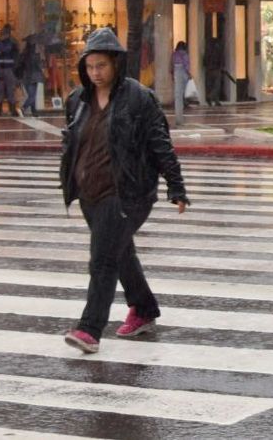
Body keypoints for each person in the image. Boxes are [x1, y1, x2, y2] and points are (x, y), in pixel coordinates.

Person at [60, 27, 189, 354]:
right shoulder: (78, 99)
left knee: (102, 259)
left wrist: (176, 185)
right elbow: (72, 141)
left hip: (127, 193)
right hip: (91, 192)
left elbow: (160, 144)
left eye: (101, 66)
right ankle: (144, 309)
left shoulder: (138, 97)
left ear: (116, 64)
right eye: (90, 67)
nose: (95, 73)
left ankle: (90, 329)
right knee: (120, 253)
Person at [0, 24, 19, 116]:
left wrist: (15, 69)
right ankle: (1, 109)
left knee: (9, 89)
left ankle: (11, 109)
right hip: (3, 69)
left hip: (8, 69)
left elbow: (16, 57)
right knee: (1, 89)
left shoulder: (12, 43)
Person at [17, 34, 46, 118]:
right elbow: (39, 66)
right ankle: (23, 108)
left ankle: (34, 111)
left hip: (26, 77)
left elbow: (20, 65)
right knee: (32, 96)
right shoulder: (35, 56)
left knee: (31, 95)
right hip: (34, 77)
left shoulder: (23, 55)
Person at [170, 40, 191, 124]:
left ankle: (178, 117)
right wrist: (189, 74)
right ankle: (180, 116)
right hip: (183, 73)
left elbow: (171, 66)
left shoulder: (174, 55)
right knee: (181, 94)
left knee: (177, 95)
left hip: (176, 72)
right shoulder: (185, 54)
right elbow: (186, 66)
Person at [203, 36, 223, 106]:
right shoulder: (218, 50)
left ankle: (214, 101)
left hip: (208, 70)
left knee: (210, 86)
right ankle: (211, 97)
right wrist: (220, 67)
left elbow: (204, 61)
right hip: (216, 70)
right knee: (217, 86)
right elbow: (220, 59)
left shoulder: (207, 50)